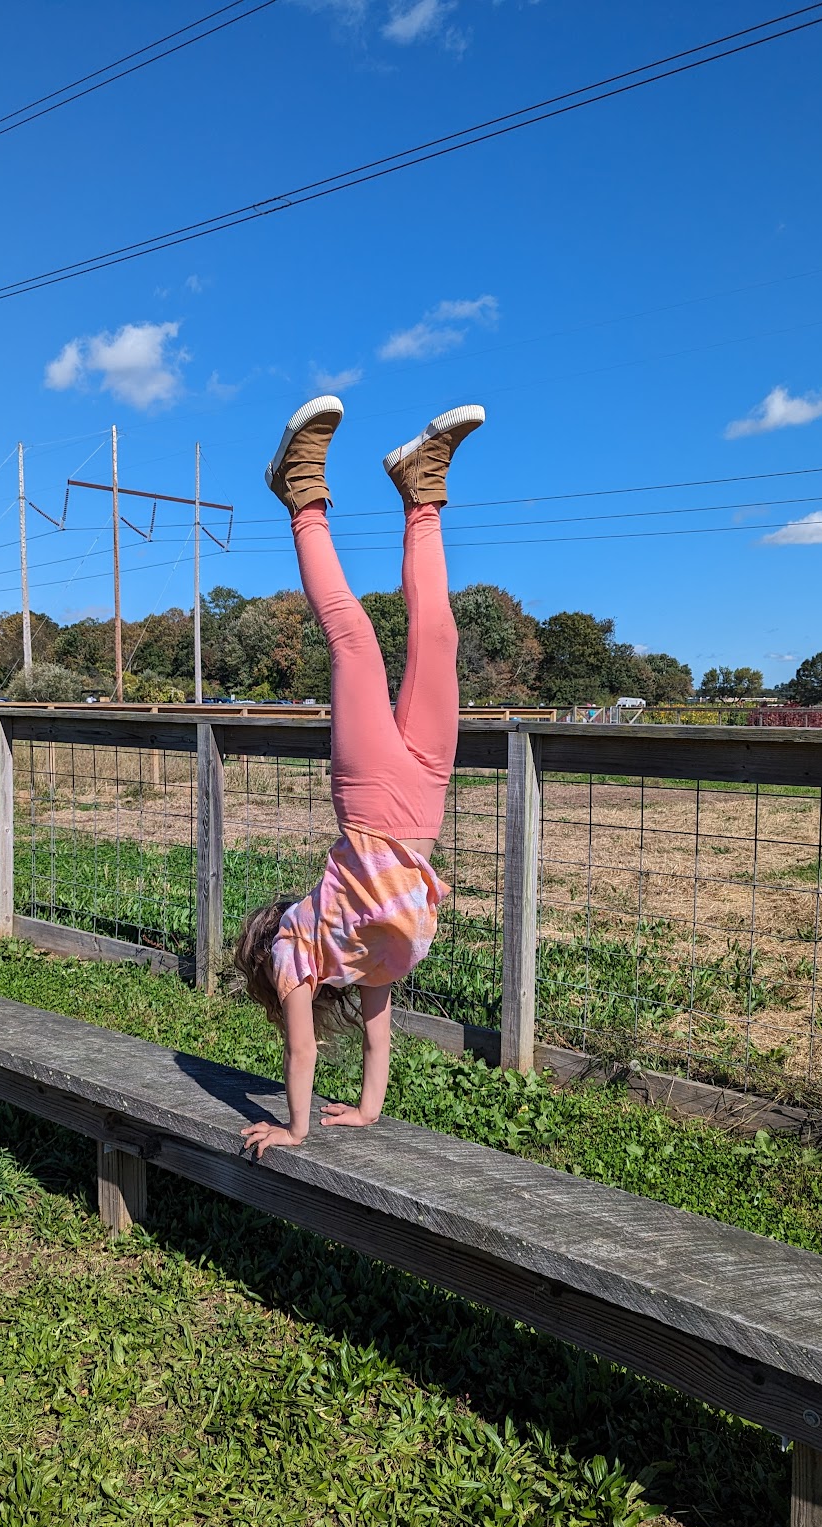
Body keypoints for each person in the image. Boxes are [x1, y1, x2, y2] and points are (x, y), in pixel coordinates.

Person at [237, 394, 484, 1156]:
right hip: (428, 798)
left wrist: (295, 1127)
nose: (279, 921)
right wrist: (368, 1113)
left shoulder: (296, 956)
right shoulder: (373, 962)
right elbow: (376, 1045)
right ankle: (420, 490)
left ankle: (299, 492)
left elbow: (300, 1053)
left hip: (374, 804)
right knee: (437, 639)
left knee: (355, 641)